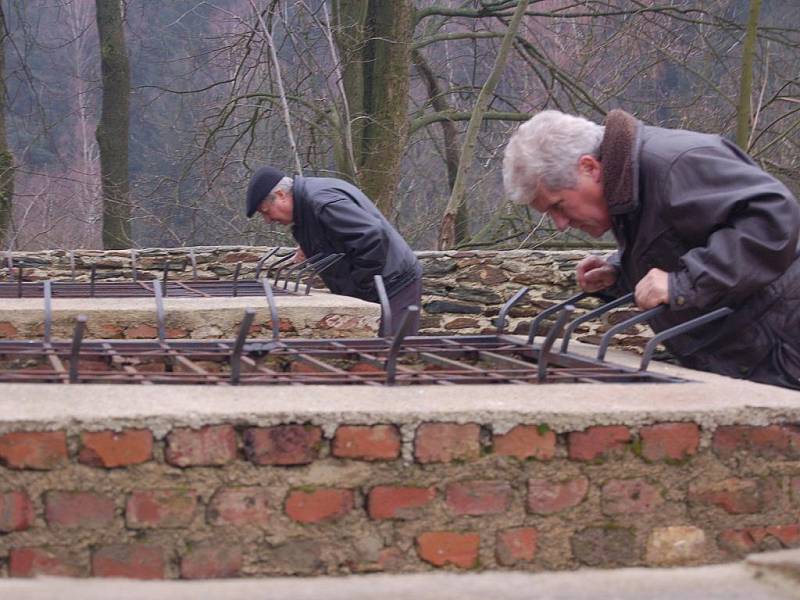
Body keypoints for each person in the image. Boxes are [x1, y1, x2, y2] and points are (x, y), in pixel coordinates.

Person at [502, 109, 800, 390]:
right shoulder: (628, 187)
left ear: (589, 167)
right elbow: (680, 242)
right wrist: (619, 272)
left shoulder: (675, 163)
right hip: (751, 357)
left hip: (783, 349)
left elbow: (774, 217)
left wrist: (683, 284)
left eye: (558, 206)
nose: (560, 224)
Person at [245, 165, 423, 336]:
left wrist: (359, 287)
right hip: (381, 284)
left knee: (393, 355)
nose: (268, 220)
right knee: (371, 356)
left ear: (281, 194)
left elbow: (372, 237)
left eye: (266, 212)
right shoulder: (308, 204)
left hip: (393, 285)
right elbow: (343, 234)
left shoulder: (321, 203)